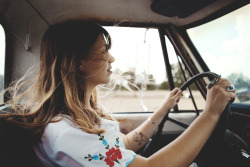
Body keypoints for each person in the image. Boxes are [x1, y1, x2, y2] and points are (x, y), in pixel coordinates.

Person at [2, 20, 235, 167]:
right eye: (104, 52)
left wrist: (164, 108)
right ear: (77, 62)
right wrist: (210, 114)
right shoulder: (67, 132)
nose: (111, 58)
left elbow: (123, 145)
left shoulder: (86, 114)